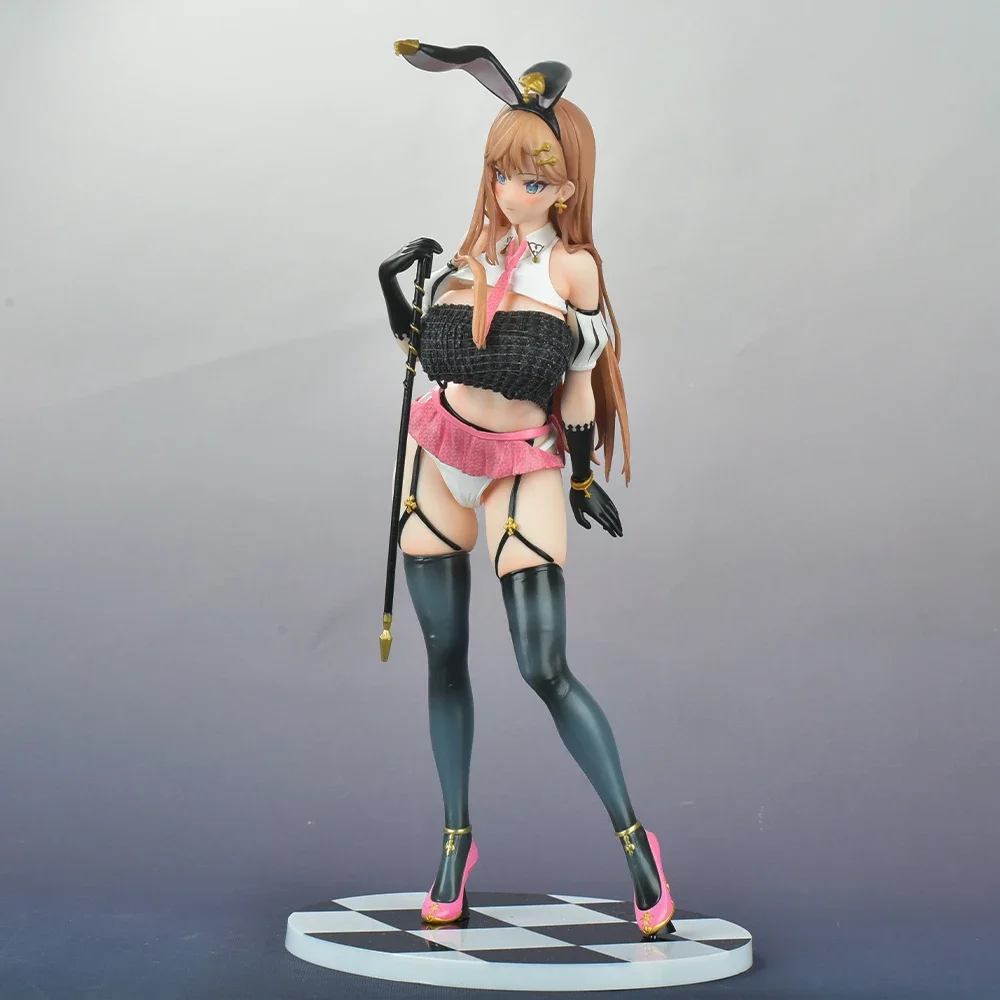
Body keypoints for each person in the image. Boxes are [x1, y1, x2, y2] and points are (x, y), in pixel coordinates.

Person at [377, 41, 674, 937]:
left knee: (544, 668)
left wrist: (581, 473)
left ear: (567, 187)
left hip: (522, 467)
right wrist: (397, 289)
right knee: (443, 659)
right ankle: (454, 839)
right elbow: (425, 352)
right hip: (436, 456)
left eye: (534, 180)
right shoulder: (472, 251)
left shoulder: (572, 271)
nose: (512, 193)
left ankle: (636, 843)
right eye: (502, 175)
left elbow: (578, 386)